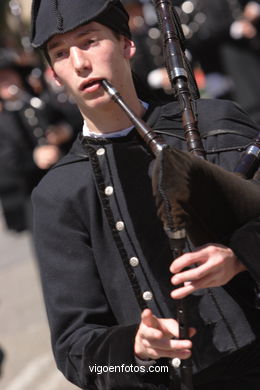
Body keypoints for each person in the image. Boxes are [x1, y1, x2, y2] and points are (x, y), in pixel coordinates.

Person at [30, 1, 260, 389]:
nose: (80, 64)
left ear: (126, 44)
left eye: (89, 41)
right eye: (61, 54)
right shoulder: (59, 195)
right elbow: (78, 356)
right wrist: (137, 352)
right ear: (54, 74)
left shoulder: (216, 124)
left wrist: (239, 257)